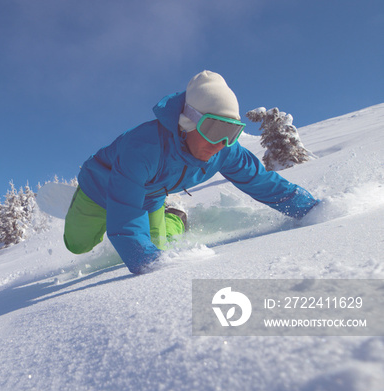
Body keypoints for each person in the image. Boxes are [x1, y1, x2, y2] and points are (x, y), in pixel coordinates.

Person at [64, 70, 319, 274]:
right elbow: (127, 224)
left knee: (160, 248)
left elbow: (262, 182)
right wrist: (148, 263)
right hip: (100, 188)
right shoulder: (143, 147)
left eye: (231, 132)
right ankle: (79, 206)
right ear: (188, 121)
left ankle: (175, 218)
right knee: (78, 245)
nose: (221, 142)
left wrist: (313, 210)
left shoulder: (225, 151)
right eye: (214, 129)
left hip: (151, 196)